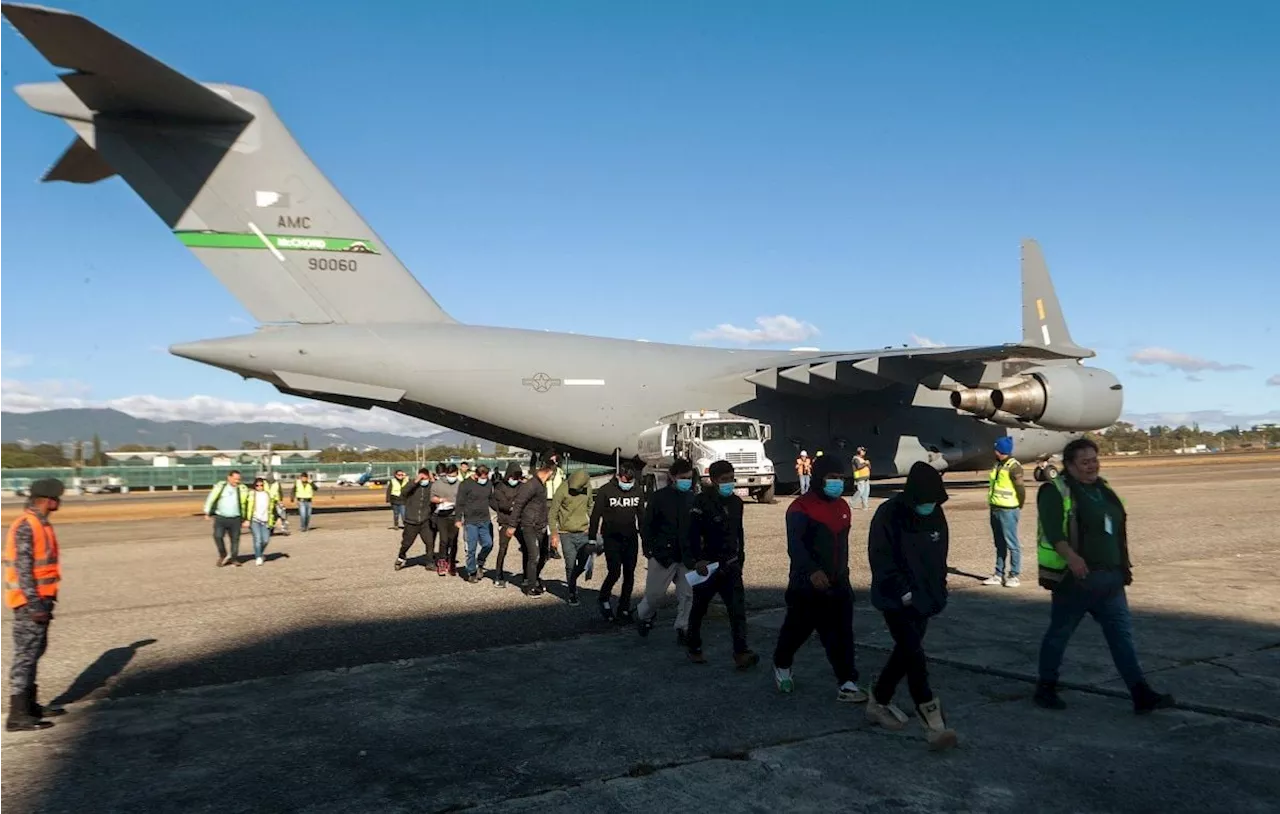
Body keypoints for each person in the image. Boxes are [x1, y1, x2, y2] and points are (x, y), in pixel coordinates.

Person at [1034, 438, 1174, 715]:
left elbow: (1117, 529)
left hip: (1110, 581)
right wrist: (1073, 559)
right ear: (1070, 465)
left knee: (1122, 637)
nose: (1092, 466)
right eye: (1084, 462)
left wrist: (1123, 567)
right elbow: (1054, 532)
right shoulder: (1055, 491)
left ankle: (1140, 694)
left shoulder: (1104, 489)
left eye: (1094, 459)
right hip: (1076, 581)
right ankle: (1045, 687)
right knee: (1059, 634)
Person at [865, 461, 958, 750]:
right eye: (926, 500)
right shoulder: (889, 514)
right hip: (896, 599)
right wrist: (903, 592)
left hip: (926, 598)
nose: (930, 505)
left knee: (905, 653)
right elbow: (881, 557)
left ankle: (878, 699)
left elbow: (939, 555)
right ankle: (931, 720)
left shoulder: (935, 513)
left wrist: (938, 590)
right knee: (914, 655)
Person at [772, 454, 867, 703]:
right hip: (807, 584)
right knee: (797, 630)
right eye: (831, 478)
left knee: (841, 634)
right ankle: (782, 664)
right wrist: (812, 571)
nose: (836, 482)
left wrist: (843, 576)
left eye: (839, 478)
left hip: (839, 583)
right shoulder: (800, 508)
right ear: (818, 479)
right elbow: (796, 546)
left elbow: (842, 547)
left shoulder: (843, 507)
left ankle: (847, 682)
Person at [4, 478, 67, 732]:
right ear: (48, 500)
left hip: (42, 600)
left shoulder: (41, 524)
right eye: (57, 498)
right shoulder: (26, 526)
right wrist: (34, 604)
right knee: (26, 656)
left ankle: (29, 705)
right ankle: (17, 715)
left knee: (34, 652)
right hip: (30, 603)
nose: (59, 502)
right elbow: (23, 569)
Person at [684, 460, 758, 669]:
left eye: (731, 479)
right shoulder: (702, 502)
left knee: (737, 610)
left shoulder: (736, 502)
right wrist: (696, 560)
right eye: (724, 480)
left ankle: (741, 651)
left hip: (731, 564)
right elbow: (692, 534)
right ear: (714, 480)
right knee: (699, 608)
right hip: (708, 566)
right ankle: (694, 647)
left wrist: (740, 557)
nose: (729, 483)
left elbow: (738, 532)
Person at [636, 459, 696, 644]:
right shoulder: (659, 497)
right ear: (672, 477)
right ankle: (643, 615)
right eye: (683, 478)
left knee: (687, 595)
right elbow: (647, 525)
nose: (686, 481)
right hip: (663, 555)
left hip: (686, 556)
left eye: (689, 478)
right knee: (654, 596)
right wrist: (649, 549)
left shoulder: (692, 498)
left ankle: (683, 627)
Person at [590, 462, 644, 621]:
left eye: (630, 481)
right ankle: (604, 597)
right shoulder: (606, 491)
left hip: (631, 538)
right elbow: (595, 516)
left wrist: (647, 540)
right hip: (611, 538)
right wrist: (592, 539)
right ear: (618, 476)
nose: (627, 484)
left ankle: (624, 607)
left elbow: (642, 517)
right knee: (614, 571)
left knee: (629, 573)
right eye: (625, 480)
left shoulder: (637, 491)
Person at [983, 437, 1025, 587]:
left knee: (1012, 544)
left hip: (1008, 510)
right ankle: (998, 574)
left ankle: (1014, 575)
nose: (994, 451)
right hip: (995, 508)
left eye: (996, 449)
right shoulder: (998, 465)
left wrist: (1019, 504)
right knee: (999, 543)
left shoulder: (1014, 467)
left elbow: (1020, 489)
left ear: (1001, 451)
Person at [549, 469, 595, 605]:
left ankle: (572, 581)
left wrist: (595, 525)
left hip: (584, 532)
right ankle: (572, 592)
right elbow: (552, 513)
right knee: (570, 564)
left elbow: (590, 506)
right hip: (566, 533)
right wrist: (554, 533)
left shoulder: (587, 488)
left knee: (582, 564)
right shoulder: (562, 489)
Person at [511, 460, 555, 596]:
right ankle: (530, 587)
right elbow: (518, 504)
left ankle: (533, 578)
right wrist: (512, 525)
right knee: (533, 556)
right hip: (529, 525)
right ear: (550, 472)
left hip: (540, 525)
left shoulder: (542, 485)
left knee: (543, 555)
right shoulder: (531, 485)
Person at [488, 462, 524, 588]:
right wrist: (514, 505)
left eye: (517, 477)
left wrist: (514, 505)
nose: (515, 480)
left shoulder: (522, 486)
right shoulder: (499, 487)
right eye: (513, 477)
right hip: (505, 522)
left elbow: (523, 501)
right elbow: (502, 505)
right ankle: (498, 575)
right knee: (503, 549)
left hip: (520, 522)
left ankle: (526, 576)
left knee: (526, 548)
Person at [457, 465, 495, 582]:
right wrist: (458, 519)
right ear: (476, 475)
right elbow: (460, 502)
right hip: (471, 521)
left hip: (485, 520)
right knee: (471, 548)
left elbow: (491, 499)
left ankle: (480, 562)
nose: (484, 479)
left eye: (486, 477)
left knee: (488, 544)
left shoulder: (488, 483)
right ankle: (472, 572)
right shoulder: (465, 485)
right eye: (482, 477)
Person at [203, 469, 249, 567]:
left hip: (236, 518)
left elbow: (247, 504)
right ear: (229, 477)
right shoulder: (221, 487)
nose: (237, 481)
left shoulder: (243, 489)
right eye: (235, 479)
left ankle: (234, 558)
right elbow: (211, 498)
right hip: (221, 517)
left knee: (235, 540)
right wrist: (207, 512)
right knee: (218, 536)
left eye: (238, 479)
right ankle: (223, 555)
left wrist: (246, 519)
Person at [394, 468, 434, 571]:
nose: (424, 480)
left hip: (425, 520)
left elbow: (437, 490)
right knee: (407, 543)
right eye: (422, 478)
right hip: (411, 521)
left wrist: (432, 479)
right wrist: (415, 481)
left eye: (426, 478)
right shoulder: (412, 486)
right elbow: (403, 492)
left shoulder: (430, 486)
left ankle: (429, 562)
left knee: (429, 542)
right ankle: (401, 557)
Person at [430, 464, 461, 576]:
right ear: (446, 474)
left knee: (453, 541)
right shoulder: (437, 484)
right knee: (444, 540)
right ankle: (442, 562)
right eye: (450, 475)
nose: (452, 477)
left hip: (455, 515)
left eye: (454, 475)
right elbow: (432, 498)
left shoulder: (459, 484)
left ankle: (452, 563)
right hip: (441, 515)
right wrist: (441, 500)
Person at [542, 449, 568, 560]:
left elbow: (564, 484)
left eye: (556, 459)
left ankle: (554, 548)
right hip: (546, 500)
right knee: (545, 526)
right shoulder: (544, 471)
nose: (554, 461)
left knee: (555, 526)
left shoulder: (560, 471)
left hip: (557, 500)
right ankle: (545, 549)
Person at [247, 477, 276, 566]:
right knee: (258, 539)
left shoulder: (268, 494)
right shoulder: (252, 494)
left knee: (266, 540)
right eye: (257, 485)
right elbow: (247, 506)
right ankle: (258, 557)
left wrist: (274, 519)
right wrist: (247, 519)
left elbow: (272, 507)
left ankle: (260, 552)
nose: (259, 486)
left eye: (261, 485)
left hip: (266, 521)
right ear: (254, 486)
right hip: (255, 520)